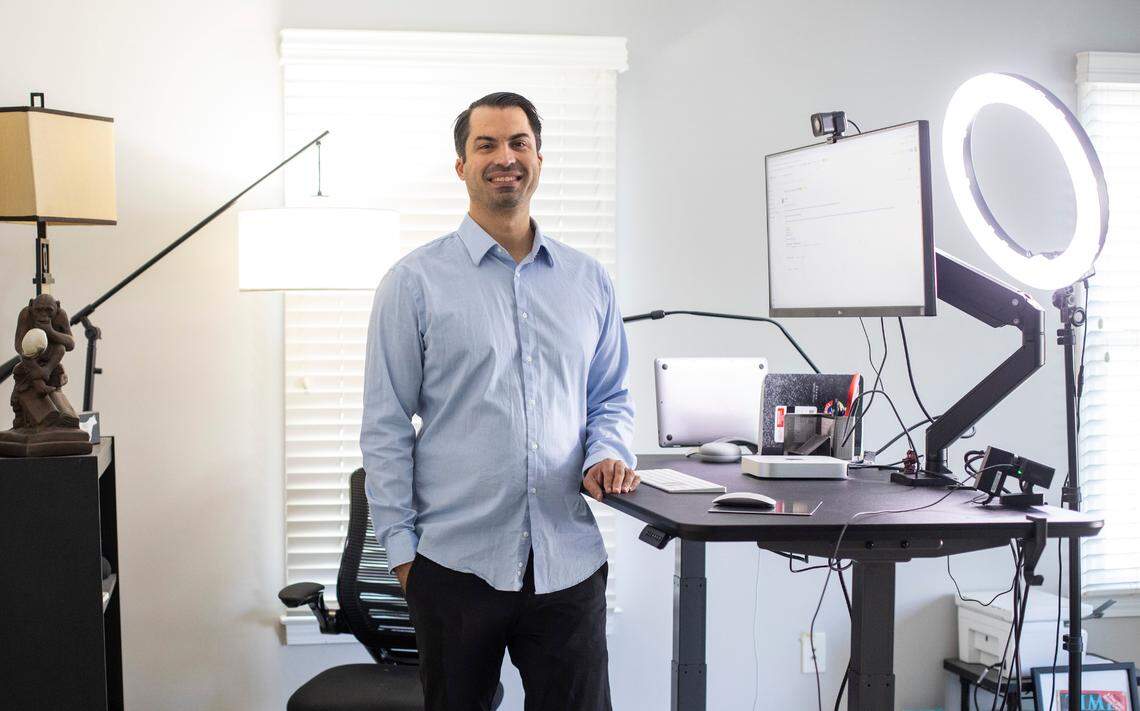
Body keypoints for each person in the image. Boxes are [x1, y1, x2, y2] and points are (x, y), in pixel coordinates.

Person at [361, 91, 639, 711]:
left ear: (539, 157)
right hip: (454, 568)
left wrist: (608, 449)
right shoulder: (413, 283)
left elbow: (611, 395)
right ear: (461, 165)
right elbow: (385, 426)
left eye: (518, 142)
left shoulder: (587, 280)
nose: (504, 157)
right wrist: (404, 558)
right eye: (485, 144)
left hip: (568, 562)